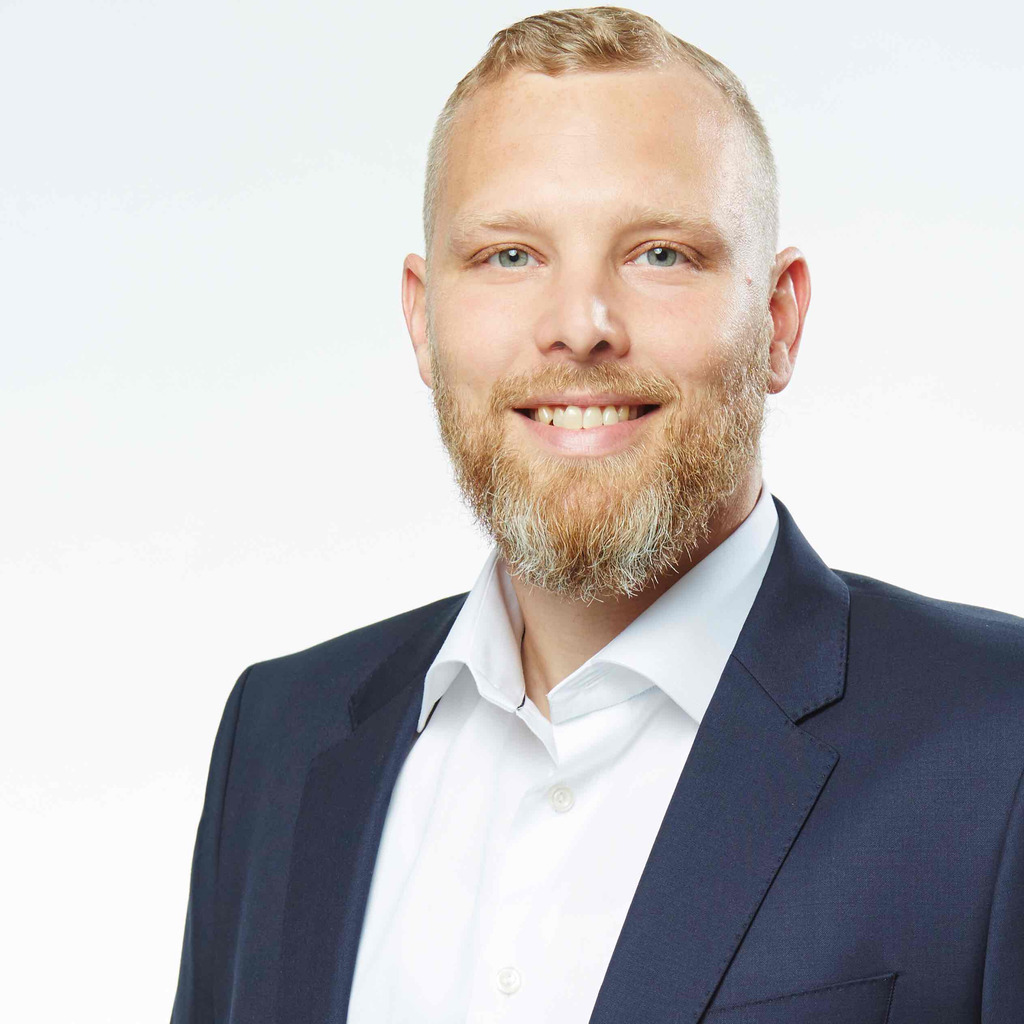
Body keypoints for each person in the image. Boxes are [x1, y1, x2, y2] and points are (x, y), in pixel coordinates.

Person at [170, 8, 1024, 1023]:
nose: (580, 326)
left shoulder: (997, 743)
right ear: (423, 320)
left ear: (778, 320)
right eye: (509, 256)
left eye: (660, 254)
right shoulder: (277, 739)